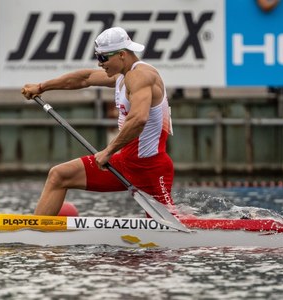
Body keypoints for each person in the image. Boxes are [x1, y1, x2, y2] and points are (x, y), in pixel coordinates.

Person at [21, 27, 175, 216]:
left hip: (150, 168)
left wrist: (108, 151)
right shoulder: (122, 76)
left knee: (168, 229)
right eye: (97, 56)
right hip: (125, 162)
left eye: (103, 58)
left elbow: (138, 119)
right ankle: (36, 235)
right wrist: (42, 87)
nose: (99, 63)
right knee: (59, 175)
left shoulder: (141, 76)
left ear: (121, 55)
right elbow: (85, 78)